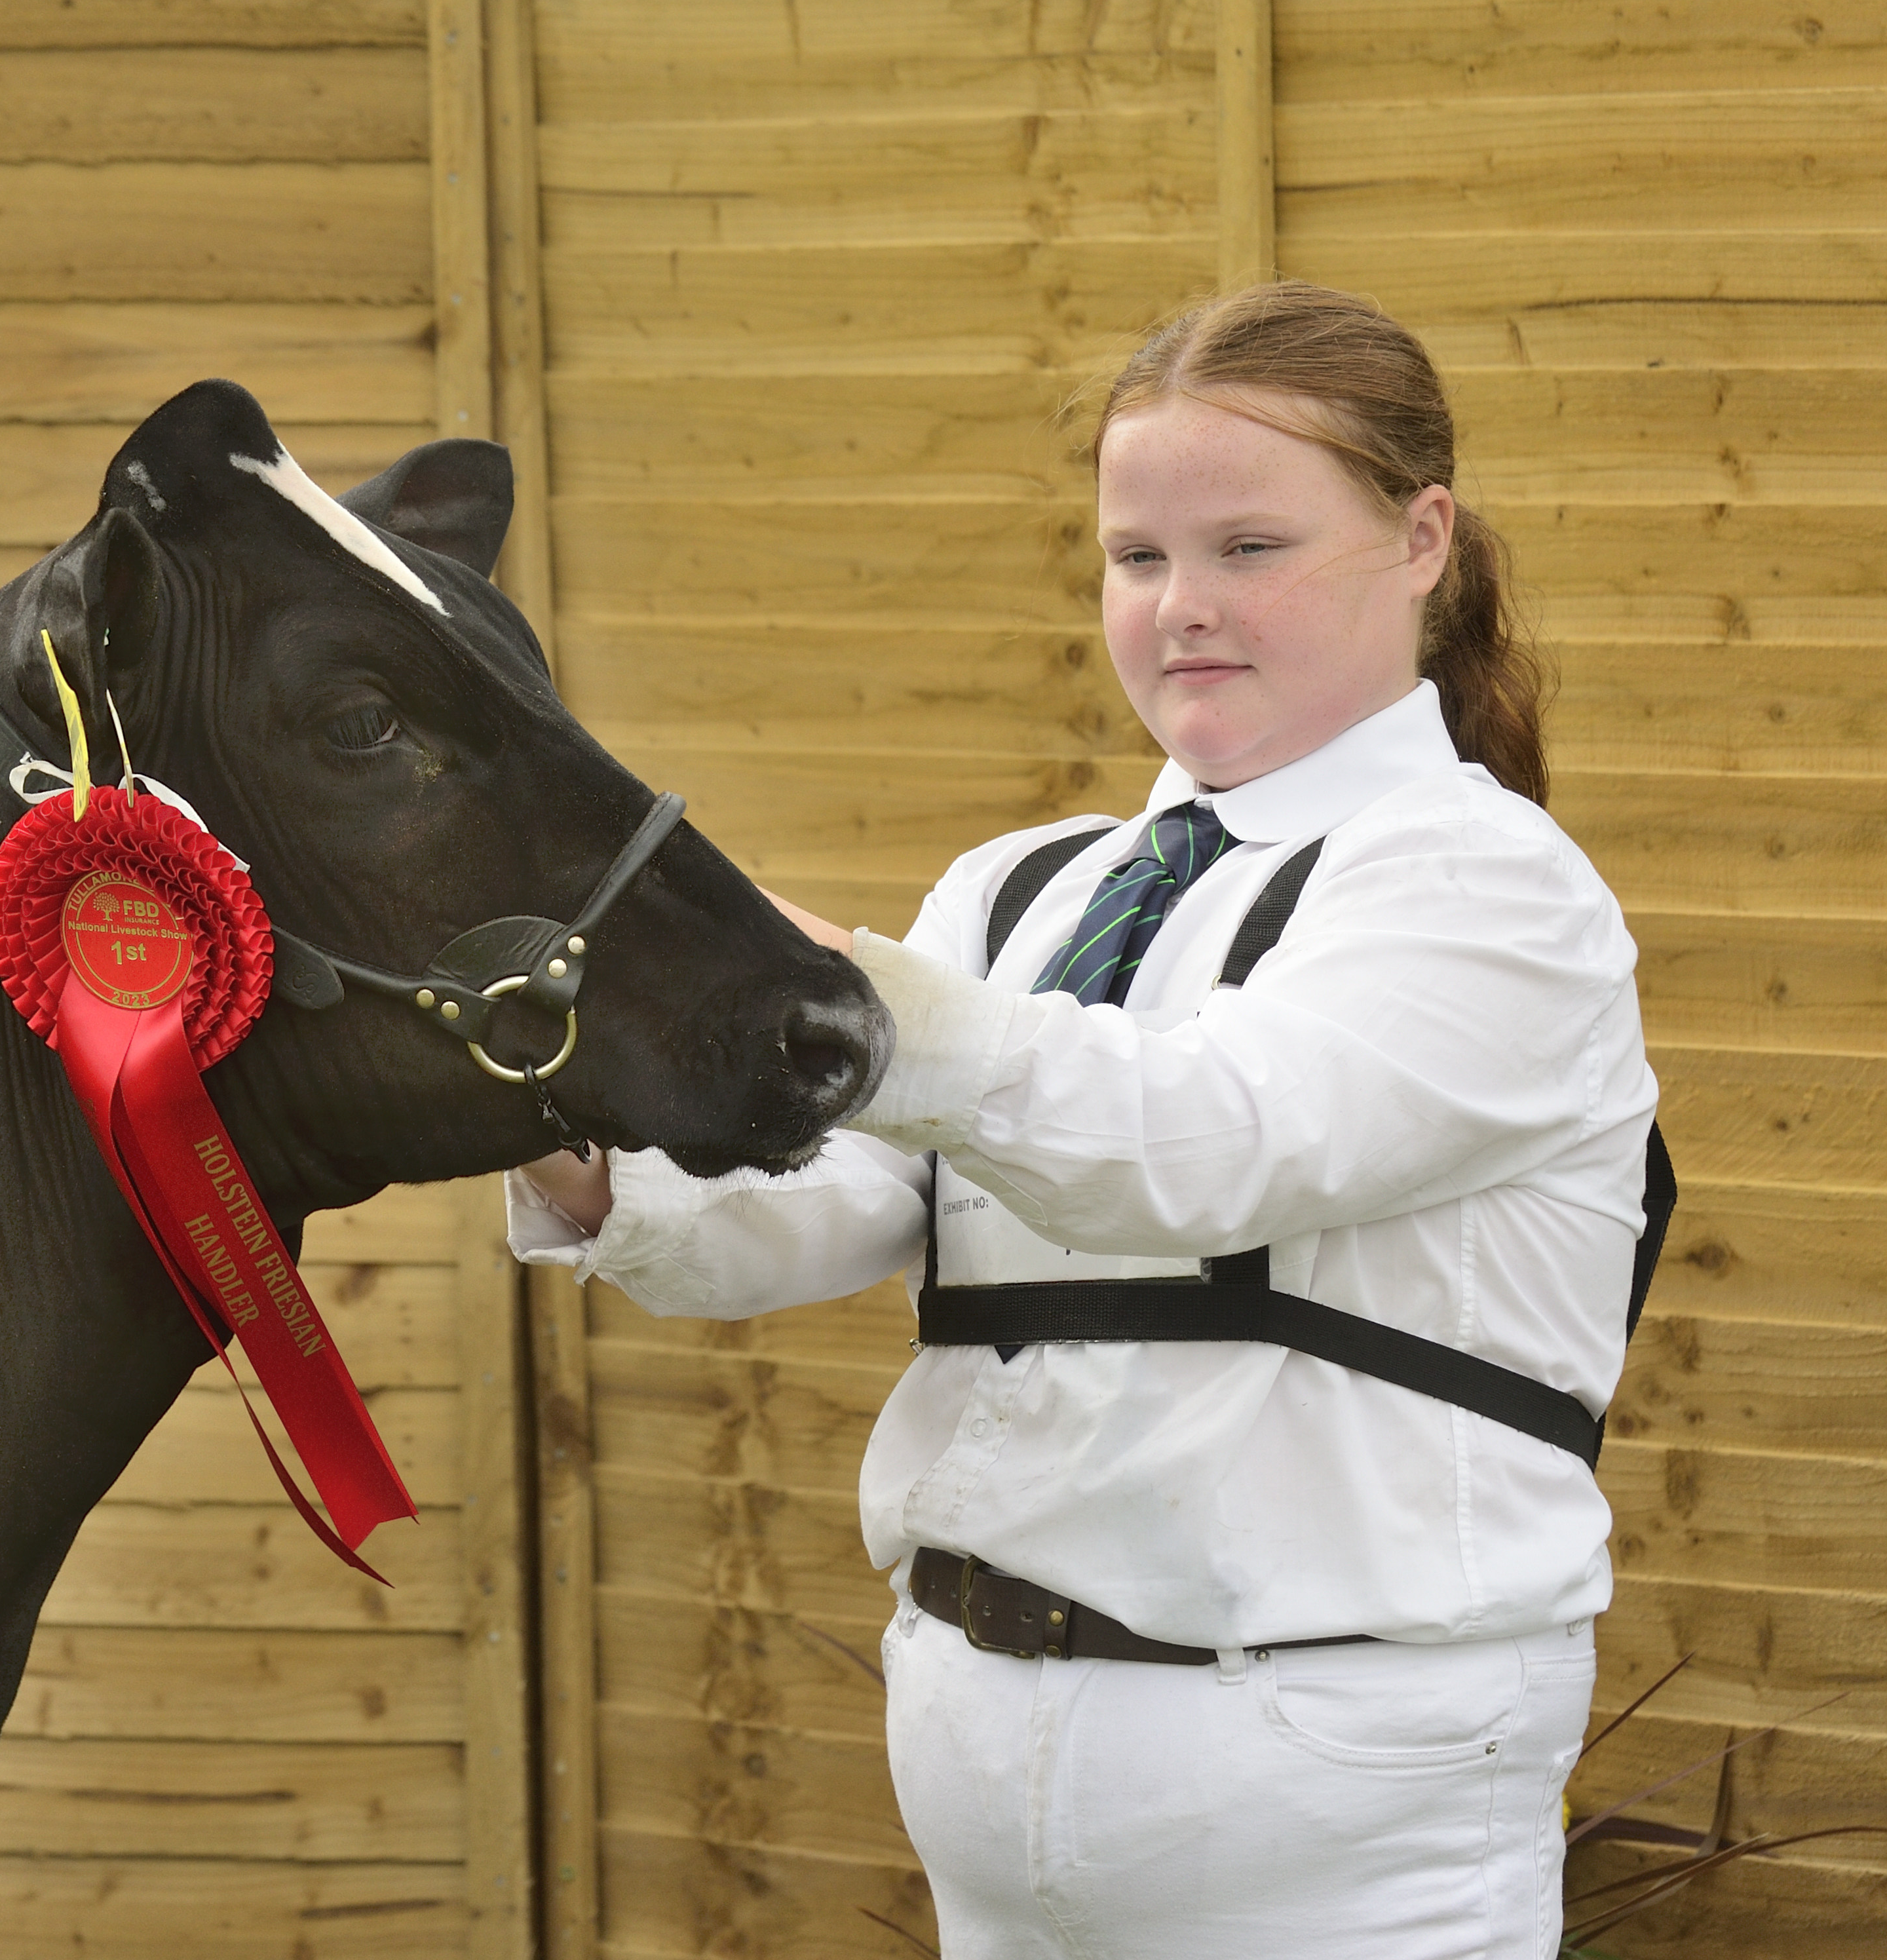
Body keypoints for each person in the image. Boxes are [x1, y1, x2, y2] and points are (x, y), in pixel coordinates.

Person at [509, 281, 1658, 1959]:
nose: (1182, 607)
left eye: (1248, 547)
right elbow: (812, 1210)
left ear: (1422, 540)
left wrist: (814, 983)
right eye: (1137, 556)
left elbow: (1197, 1147)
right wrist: (540, 1096)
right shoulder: (1017, 892)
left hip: (1333, 1775)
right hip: (982, 1739)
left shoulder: (1489, 885)